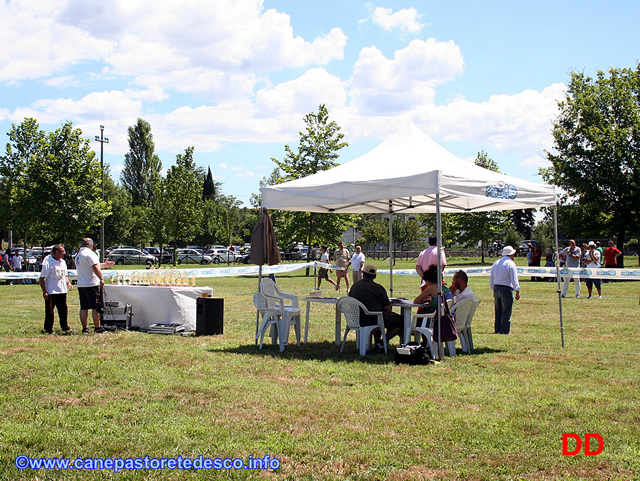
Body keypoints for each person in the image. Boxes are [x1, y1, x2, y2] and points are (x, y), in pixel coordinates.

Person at [349, 264, 403, 352]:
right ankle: (382, 342)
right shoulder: (378, 288)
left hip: (357, 318)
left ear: (363, 273)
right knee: (401, 321)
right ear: (374, 276)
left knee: (378, 315)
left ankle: (378, 342)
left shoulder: (355, 286)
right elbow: (388, 308)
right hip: (374, 318)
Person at [39, 245, 73, 334]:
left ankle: (64, 326)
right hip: (51, 290)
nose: (64, 253)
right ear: (56, 252)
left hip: (62, 290)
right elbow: (42, 278)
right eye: (62, 251)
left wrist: (68, 283)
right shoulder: (48, 263)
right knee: (50, 310)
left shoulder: (63, 262)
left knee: (63, 310)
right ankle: (48, 328)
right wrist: (44, 291)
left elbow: (65, 275)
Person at [75, 238, 106, 334]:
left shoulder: (78, 255)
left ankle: (85, 328)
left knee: (84, 307)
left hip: (81, 283)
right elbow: (95, 267)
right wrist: (101, 278)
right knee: (95, 307)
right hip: (91, 283)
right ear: (91, 245)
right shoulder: (90, 254)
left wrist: (105, 265)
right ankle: (97, 327)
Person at [489, 245, 520, 335]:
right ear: (510, 254)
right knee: (506, 310)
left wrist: (493, 288)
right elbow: (514, 279)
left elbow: (492, 278)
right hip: (506, 289)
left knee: (498, 311)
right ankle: (505, 330)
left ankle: (497, 329)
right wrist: (517, 290)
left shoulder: (496, 263)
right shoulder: (511, 264)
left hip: (496, 288)